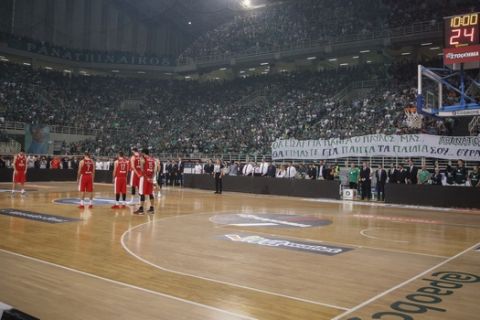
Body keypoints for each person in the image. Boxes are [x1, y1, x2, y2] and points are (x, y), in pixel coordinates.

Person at [134, 149, 156, 214]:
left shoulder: (143, 159)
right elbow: (154, 171)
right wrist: (151, 178)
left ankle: (141, 209)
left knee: (142, 193)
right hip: (150, 178)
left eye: (142, 153)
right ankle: (152, 209)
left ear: (143, 153)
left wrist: (147, 178)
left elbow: (142, 170)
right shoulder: (153, 160)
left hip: (144, 178)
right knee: (150, 193)